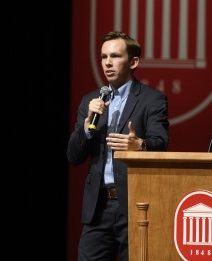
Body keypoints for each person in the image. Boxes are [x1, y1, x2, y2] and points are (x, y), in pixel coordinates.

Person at [67, 31, 170, 261]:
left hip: (134, 205)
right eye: (104, 57)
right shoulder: (91, 101)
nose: (108, 63)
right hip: (98, 207)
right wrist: (86, 128)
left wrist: (140, 145)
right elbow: (73, 156)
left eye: (115, 56)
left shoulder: (152, 100)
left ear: (133, 62)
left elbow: (160, 144)